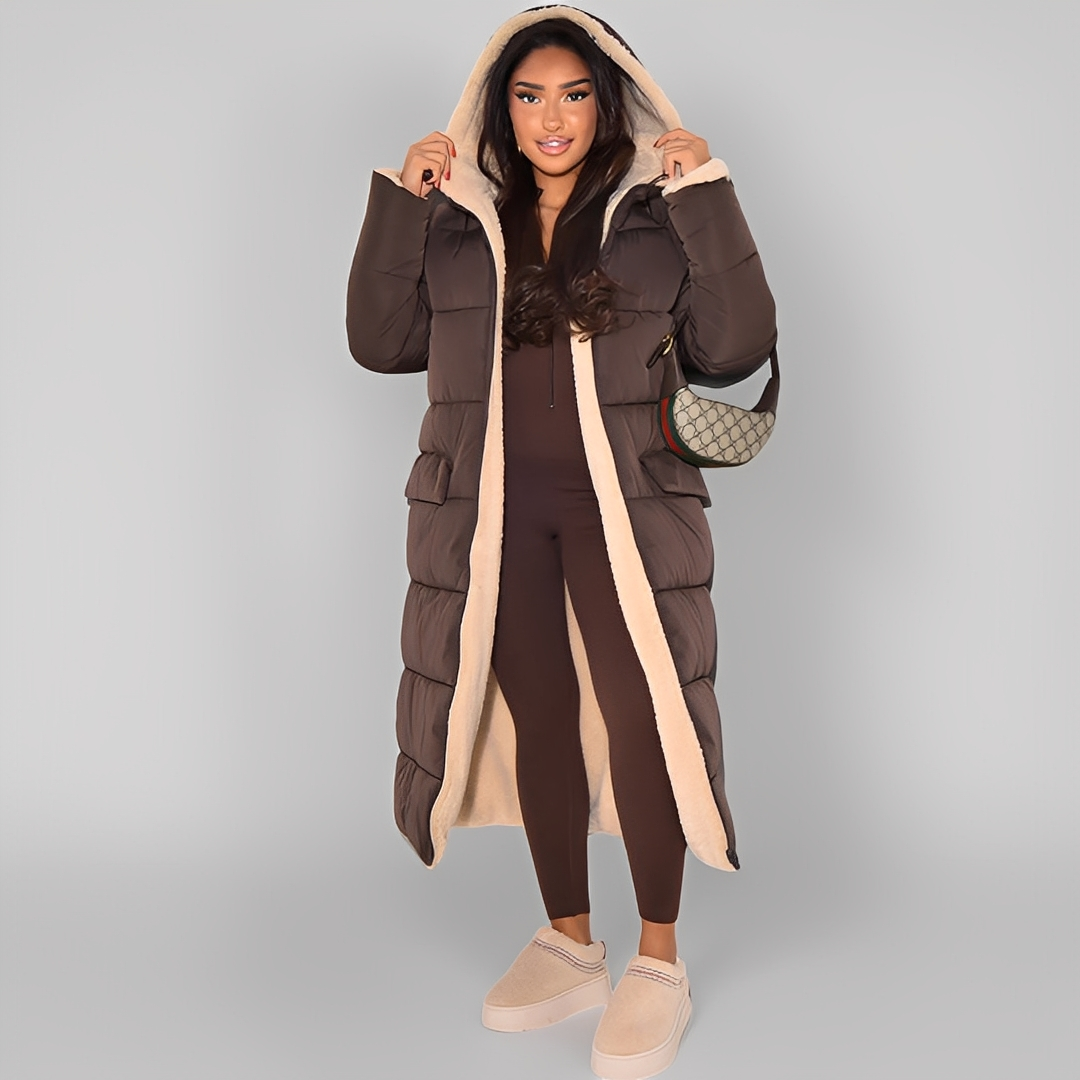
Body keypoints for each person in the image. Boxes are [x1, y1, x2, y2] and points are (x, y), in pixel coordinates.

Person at [346, 8, 776, 1078]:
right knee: (538, 712)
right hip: (493, 512)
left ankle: (660, 961)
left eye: (575, 94)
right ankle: (572, 941)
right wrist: (404, 204)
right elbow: (379, 342)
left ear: (608, 102)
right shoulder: (463, 223)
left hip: (625, 508)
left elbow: (736, 347)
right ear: (500, 108)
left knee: (642, 715)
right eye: (529, 96)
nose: (553, 117)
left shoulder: (653, 216)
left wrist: (705, 193)